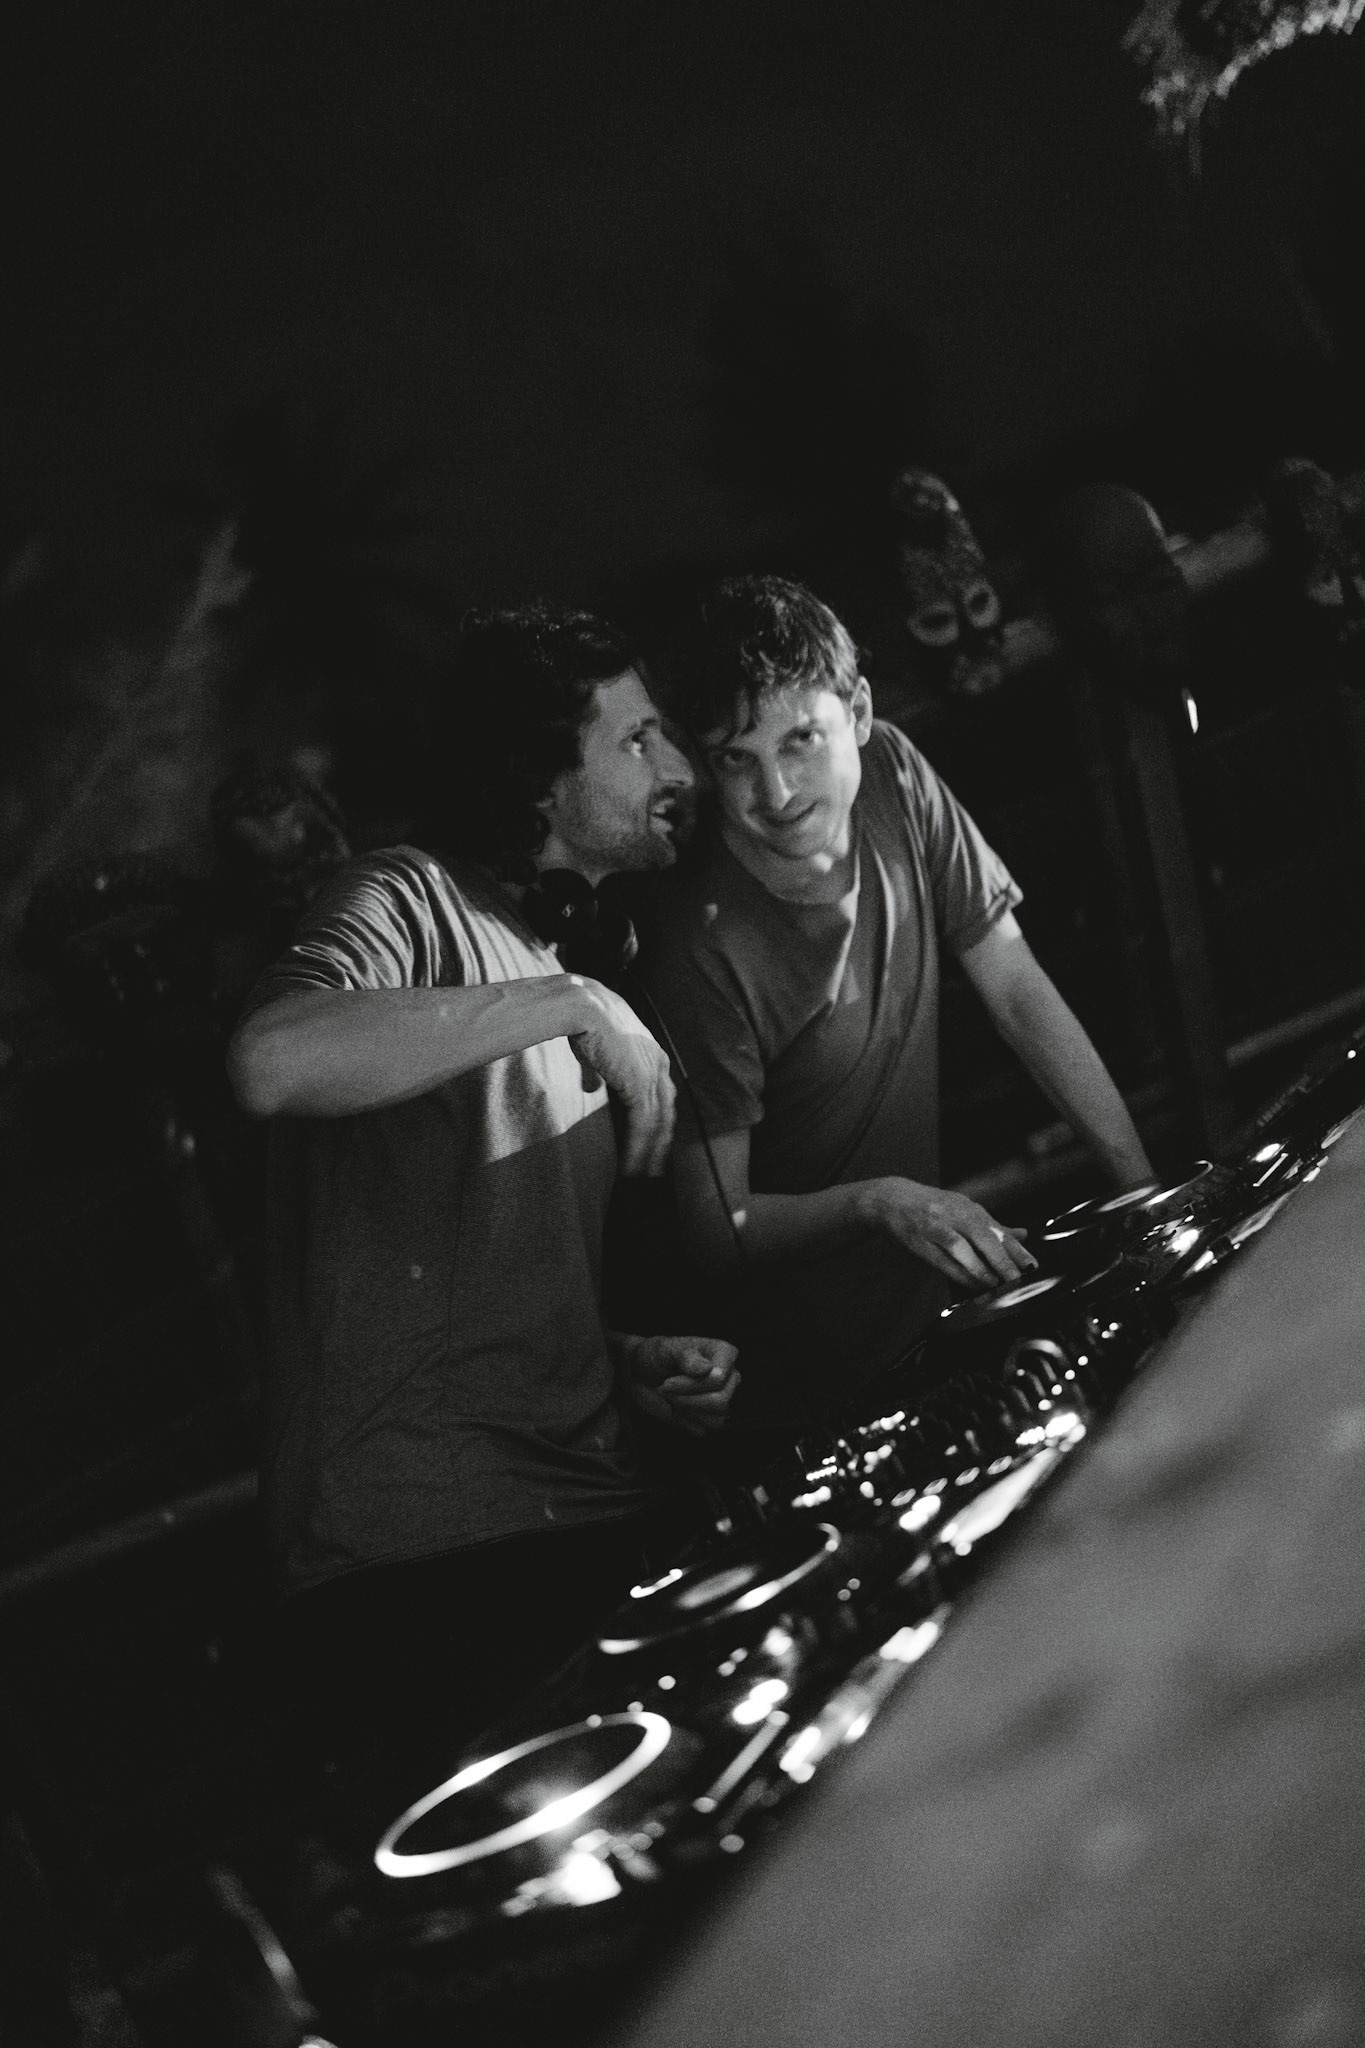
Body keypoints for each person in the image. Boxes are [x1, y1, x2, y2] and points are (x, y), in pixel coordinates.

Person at [225, 604, 739, 1811]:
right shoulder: (404, 896)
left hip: (575, 1510)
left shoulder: (562, 962)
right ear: (540, 774)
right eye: (637, 740)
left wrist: (623, 1359)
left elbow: (468, 1278)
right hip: (428, 1554)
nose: (676, 766)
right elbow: (270, 1058)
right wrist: (569, 1004)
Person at [639, 576, 1154, 1429]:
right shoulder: (695, 942)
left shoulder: (895, 774)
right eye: (737, 759)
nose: (776, 792)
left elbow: (1016, 990)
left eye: (800, 740)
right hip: (789, 1390)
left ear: (860, 712)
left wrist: (1144, 1197)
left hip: (936, 1318)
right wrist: (879, 1200)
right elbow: (714, 1226)